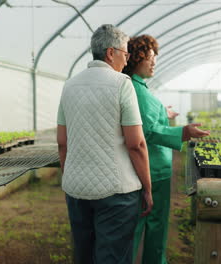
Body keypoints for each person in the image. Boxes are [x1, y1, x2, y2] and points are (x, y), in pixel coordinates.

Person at [56, 24, 153, 264]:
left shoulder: (70, 85)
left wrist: (72, 176)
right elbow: (136, 145)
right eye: (125, 53)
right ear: (111, 53)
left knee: (84, 255)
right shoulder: (122, 84)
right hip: (117, 194)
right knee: (113, 257)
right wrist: (147, 188)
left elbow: (62, 143)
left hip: (77, 190)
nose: (127, 59)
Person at [122, 34, 210, 264]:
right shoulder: (136, 90)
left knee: (142, 223)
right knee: (154, 224)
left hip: (150, 167)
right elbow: (149, 130)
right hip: (153, 170)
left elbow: (146, 118)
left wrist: (164, 112)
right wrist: (184, 132)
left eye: (155, 58)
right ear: (136, 59)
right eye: (150, 58)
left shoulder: (137, 86)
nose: (154, 63)